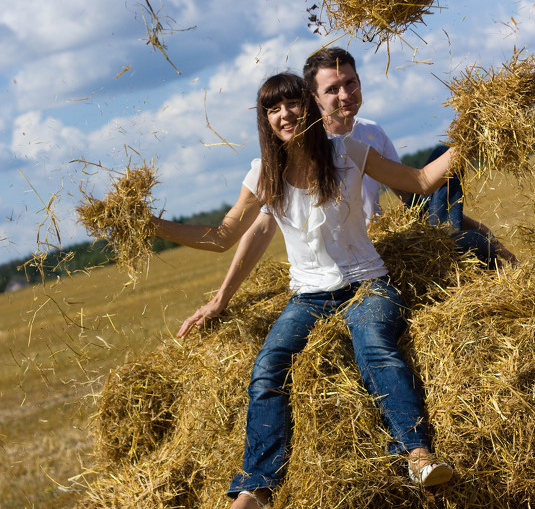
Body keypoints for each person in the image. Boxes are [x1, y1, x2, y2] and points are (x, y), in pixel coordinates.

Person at [152, 72, 459, 509]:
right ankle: (253, 494)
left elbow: (418, 181)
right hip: (308, 296)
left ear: (309, 108)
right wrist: (150, 225)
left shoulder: (348, 152)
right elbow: (220, 237)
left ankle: (417, 455)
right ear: (266, 120)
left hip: (366, 284)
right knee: (268, 367)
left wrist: (471, 135)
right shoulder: (262, 175)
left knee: (375, 346)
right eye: (273, 109)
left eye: (292, 103)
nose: (284, 114)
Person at [177, 48, 515, 339]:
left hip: (389, 241)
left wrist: (478, 226)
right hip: (356, 261)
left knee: (468, 224)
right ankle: (463, 240)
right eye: (332, 89)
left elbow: (413, 192)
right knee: (473, 247)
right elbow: (261, 228)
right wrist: (222, 298)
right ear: (313, 98)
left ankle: (475, 249)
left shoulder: (370, 132)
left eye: (350, 83)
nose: (344, 94)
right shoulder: (302, 145)